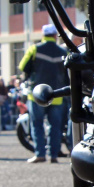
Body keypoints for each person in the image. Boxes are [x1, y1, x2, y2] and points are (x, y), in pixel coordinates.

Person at [19, 24, 69, 163]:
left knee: (37, 124)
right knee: (55, 127)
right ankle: (54, 155)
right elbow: (68, 74)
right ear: (55, 36)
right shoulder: (63, 52)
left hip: (36, 95)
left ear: (43, 35)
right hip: (57, 95)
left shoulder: (34, 49)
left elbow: (23, 67)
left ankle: (40, 154)